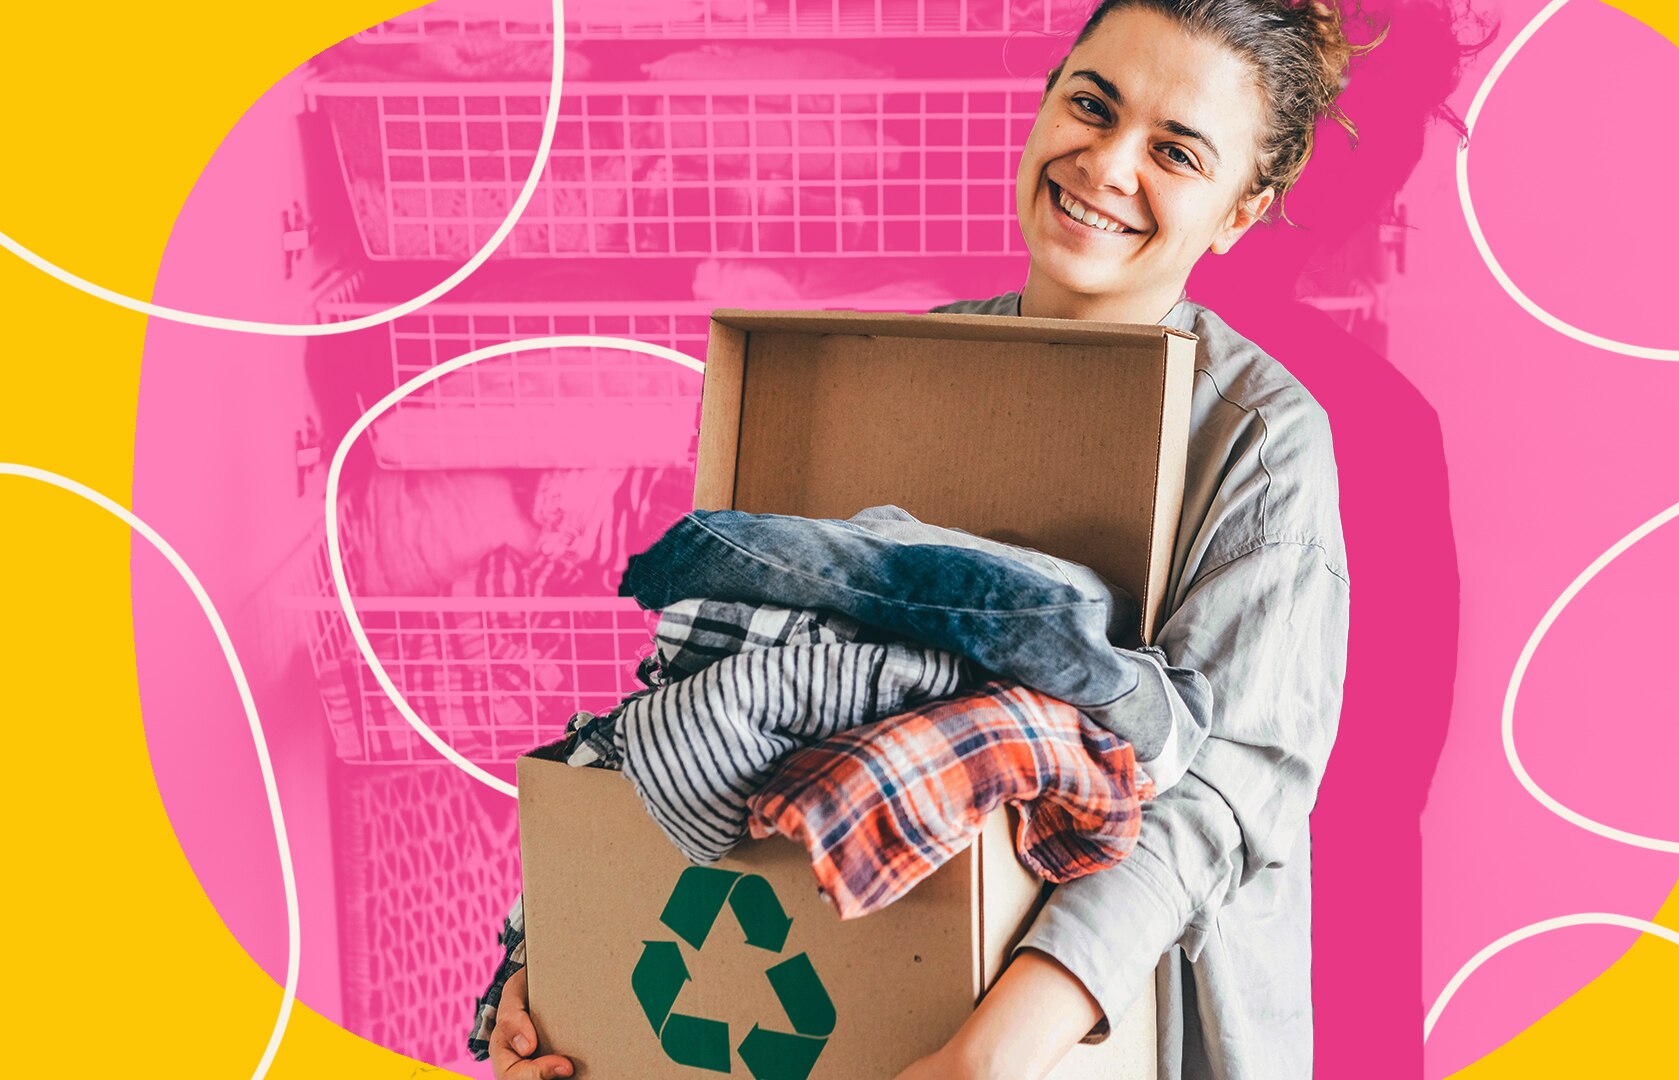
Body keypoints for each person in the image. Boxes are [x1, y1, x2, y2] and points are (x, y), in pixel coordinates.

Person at [479, 1, 1365, 1076]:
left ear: (1239, 210)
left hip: (1107, 1027)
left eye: (1174, 150)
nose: (1106, 164)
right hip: (860, 983)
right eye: (1090, 104)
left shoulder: (1257, 442)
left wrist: (986, 1054)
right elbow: (724, 685)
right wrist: (564, 964)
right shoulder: (898, 371)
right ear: (1044, 105)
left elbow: (1221, 794)